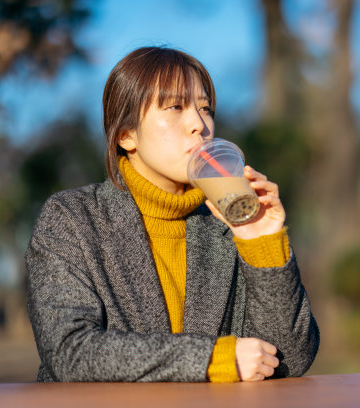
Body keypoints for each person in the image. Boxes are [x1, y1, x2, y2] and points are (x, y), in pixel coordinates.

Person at [25, 46, 320, 382]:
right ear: (126, 135)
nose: (200, 124)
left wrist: (261, 242)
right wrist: (211, 358)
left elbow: (289, 360)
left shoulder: (225, 225)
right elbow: (70, 352)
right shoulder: (73, 219)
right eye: (176, 107)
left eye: (205, 108)